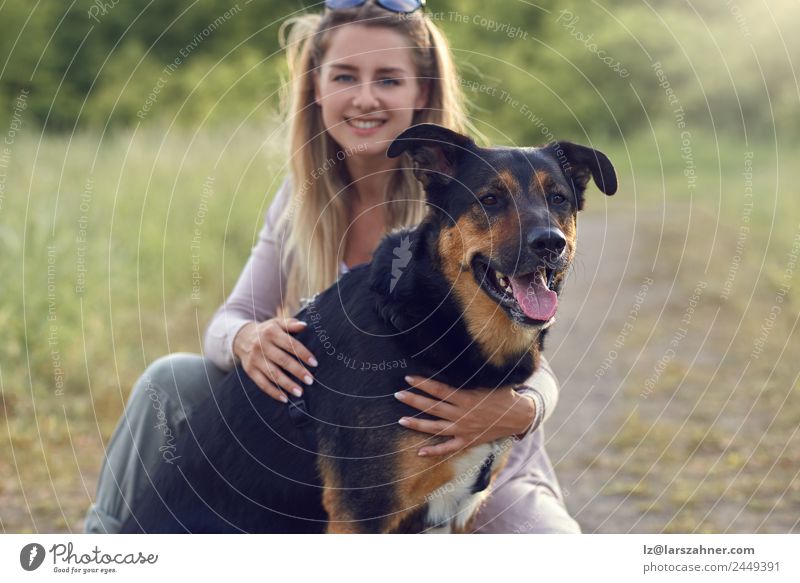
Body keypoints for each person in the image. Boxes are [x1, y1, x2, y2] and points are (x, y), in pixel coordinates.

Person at [84, 0, 580, 534]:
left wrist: (526, 408)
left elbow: (524, 342)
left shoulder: (465, 187)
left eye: (388, 79)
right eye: (346, 76)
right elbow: (231, 318)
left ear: (423, 91)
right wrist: (247, 339)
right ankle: (104, 548)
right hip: (363, 440)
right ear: (317, 88)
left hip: (491, 445)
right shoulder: (304, 200)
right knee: (172, 378)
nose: (365, 97)